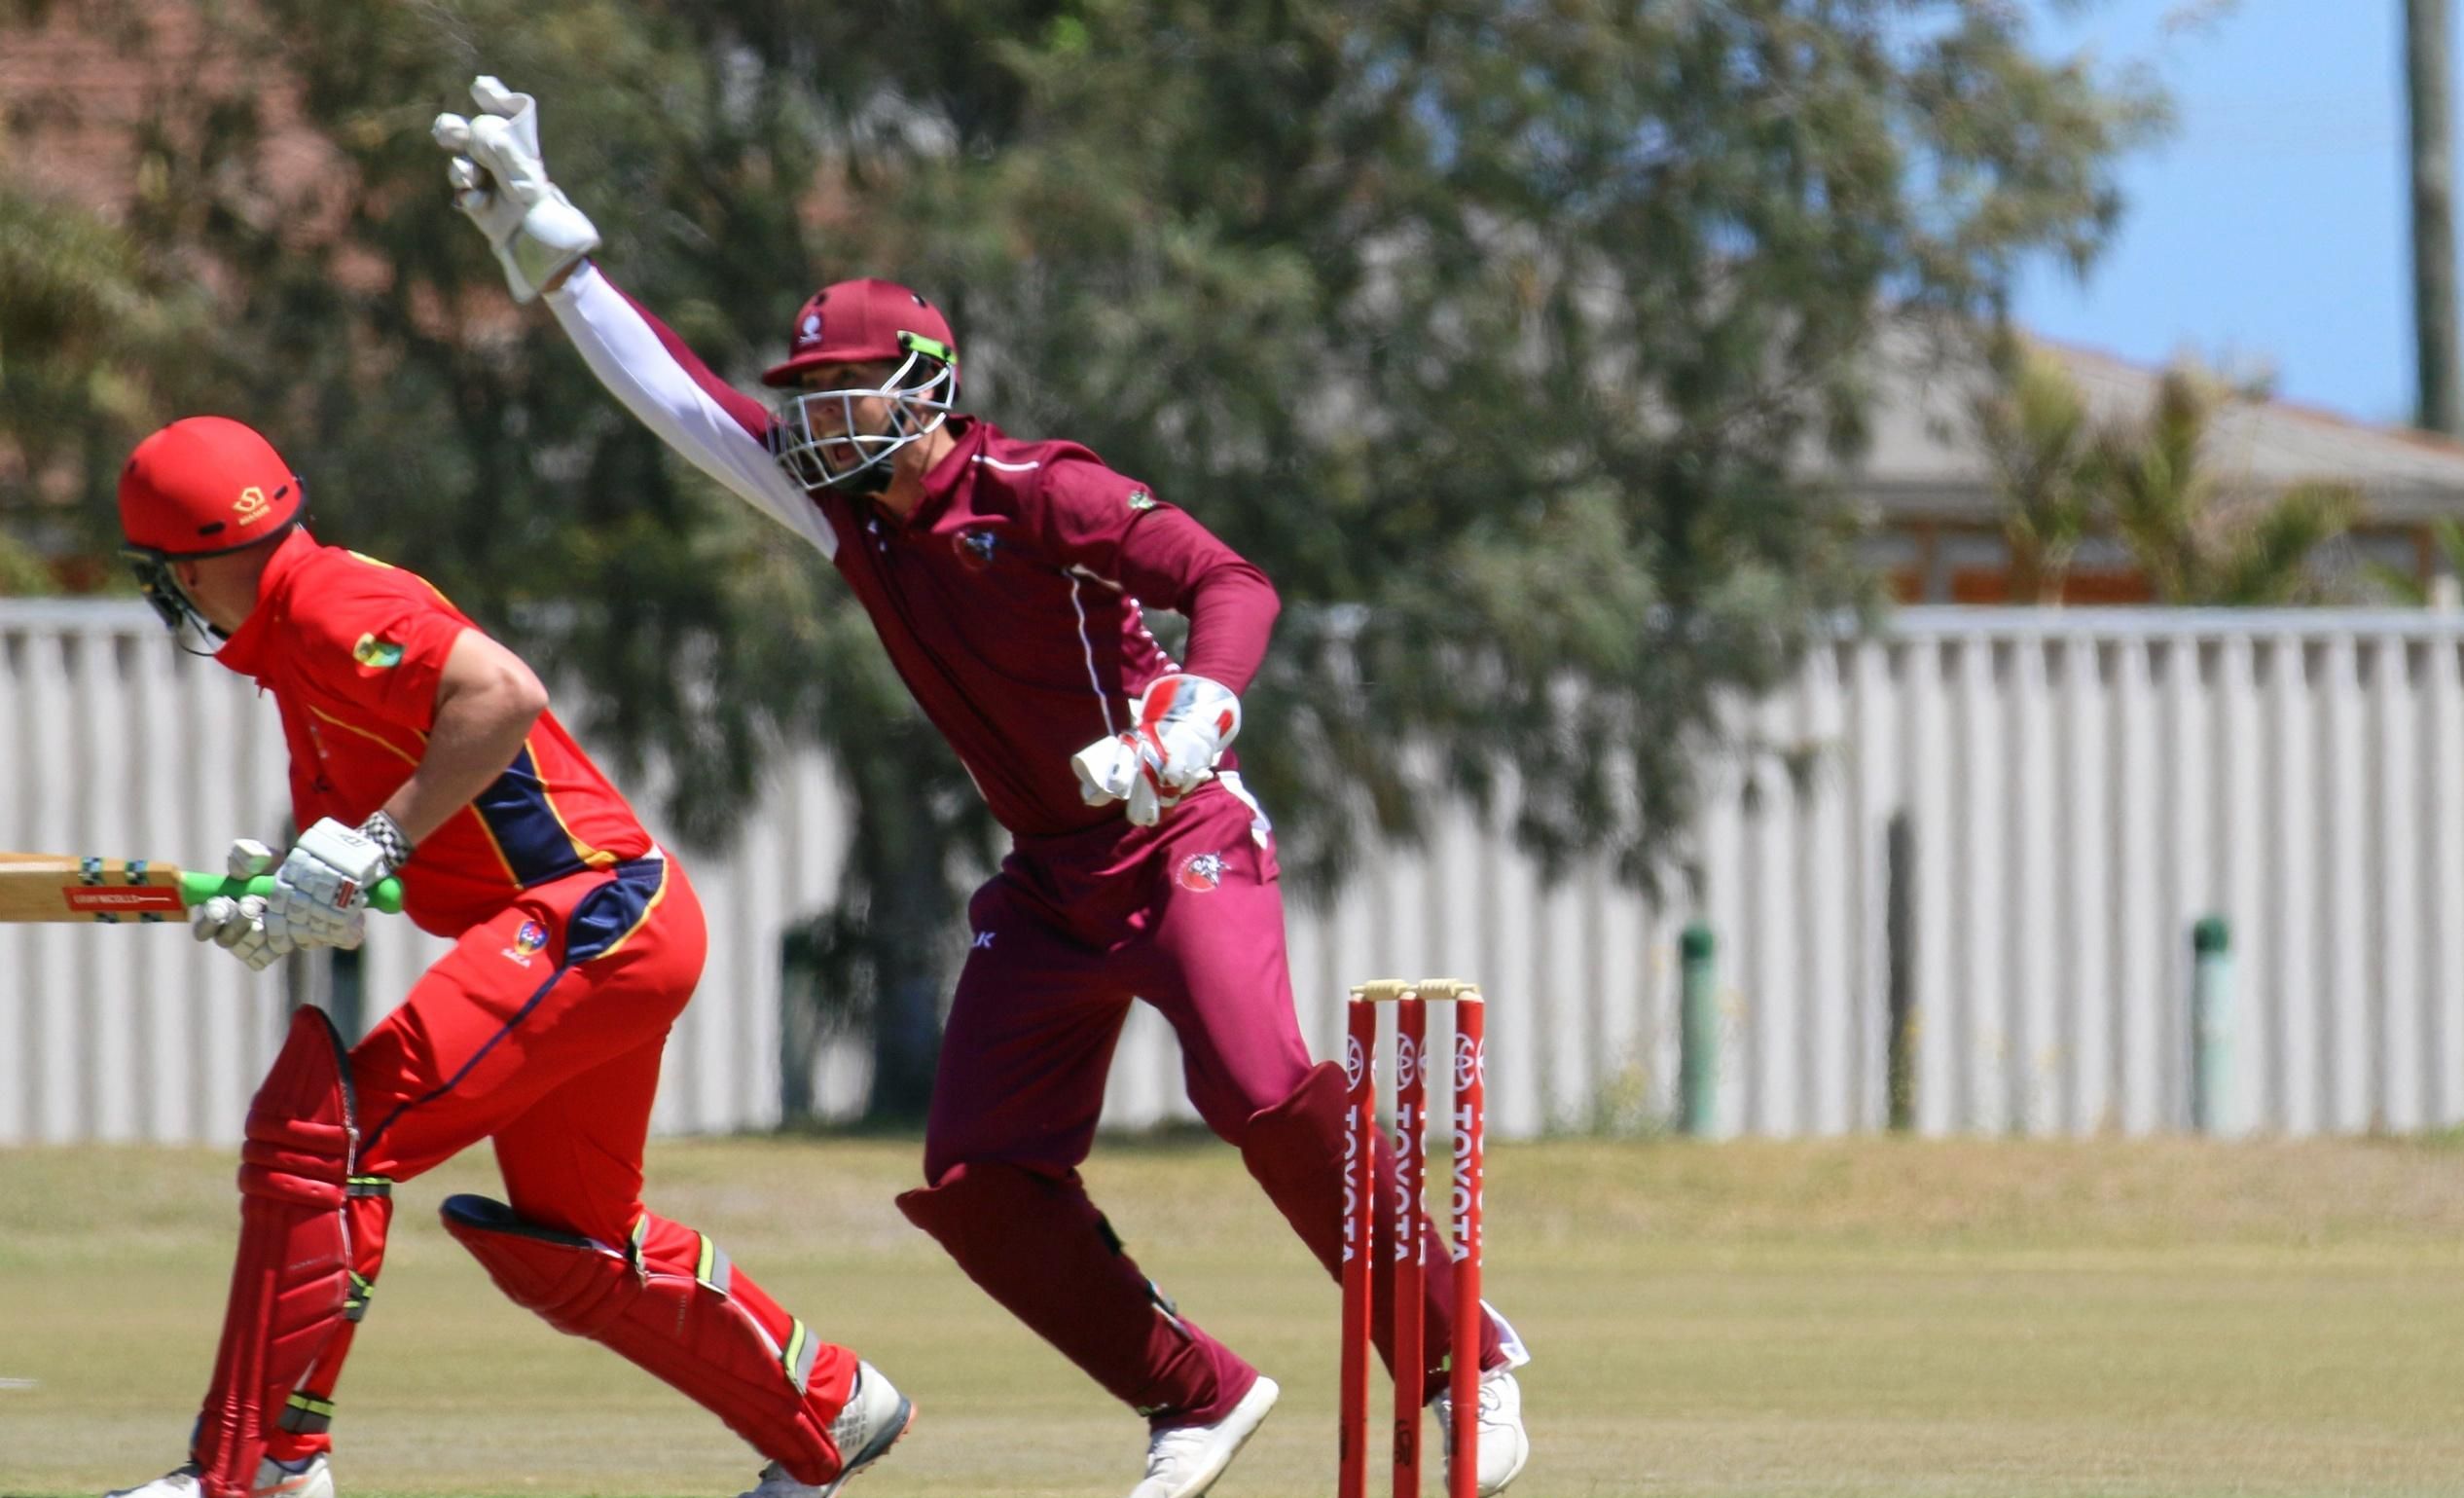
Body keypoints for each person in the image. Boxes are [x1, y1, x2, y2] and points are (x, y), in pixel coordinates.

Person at [430, 78, 1534, 1498]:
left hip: (1178, 829)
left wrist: (1194, 712)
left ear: (930, 382)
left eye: (846, 391)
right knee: (977, 1186)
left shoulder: (1040, 490)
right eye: (810, 395)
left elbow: (1228, 580)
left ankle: (1462, 1356)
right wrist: (563, 261)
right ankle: (1194, 1391)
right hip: (1050, 877)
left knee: (1259, 1088)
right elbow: (684, 407)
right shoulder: (851, 522)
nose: (819, 419)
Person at [101, 416, 913, 1498]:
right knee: (572, 1247)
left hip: (591, 914)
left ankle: (258, 1467)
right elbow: (408, 845)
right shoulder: (302, 644)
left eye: (168, 577)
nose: (176, 600)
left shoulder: (328, 600)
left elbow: (502, 694)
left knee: (327, 1144)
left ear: (195, 563)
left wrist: (373, 842)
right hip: (605, 925)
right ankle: (831, 1405)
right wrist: (288, 892)